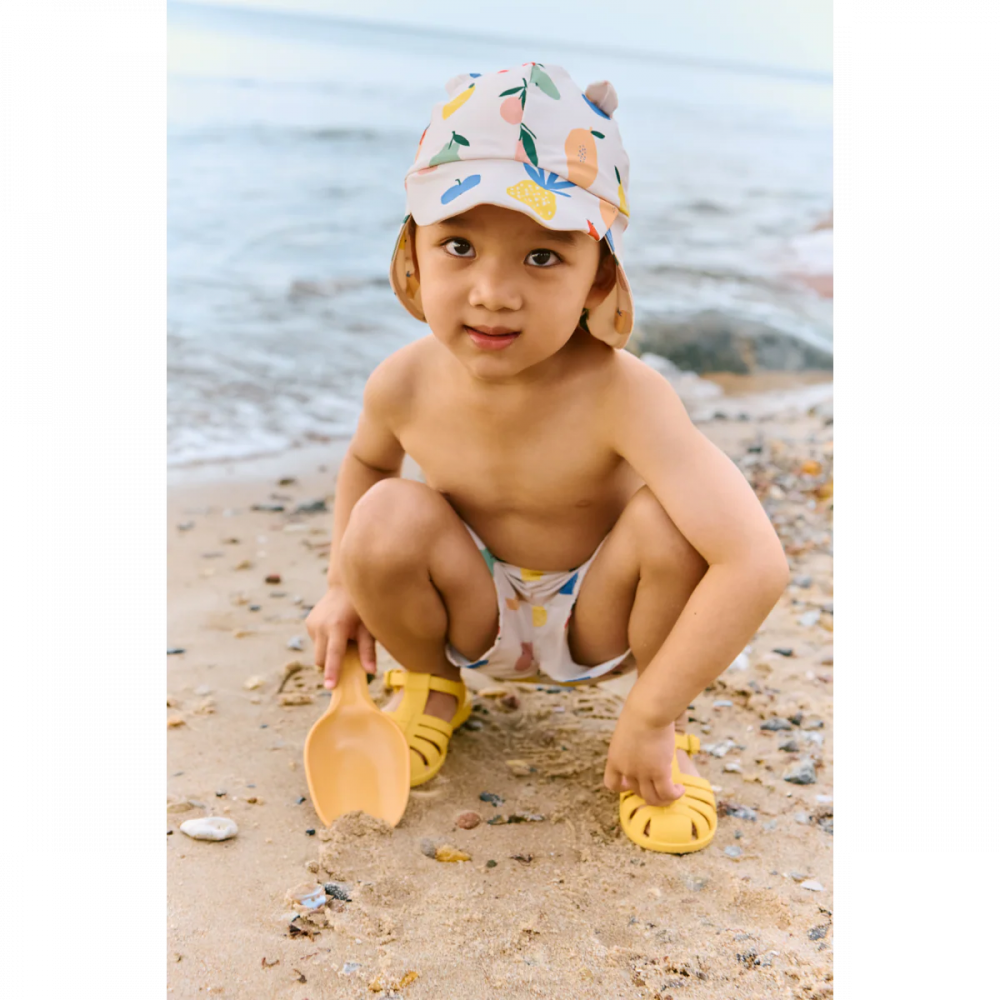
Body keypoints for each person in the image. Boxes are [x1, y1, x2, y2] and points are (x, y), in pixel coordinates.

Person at [305, 63, 789, 854]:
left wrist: (650, 712)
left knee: (673, 524)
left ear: (600, 277)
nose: (494, 293)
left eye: (542, 258)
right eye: (459, 245)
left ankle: (665, 730)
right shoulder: (403, 382)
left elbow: (755, 561)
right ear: (412, 254)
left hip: (604, 613)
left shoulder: (626, 396)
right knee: (384, 513)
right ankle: (433, 686)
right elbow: (366, 466)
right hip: (470, 602)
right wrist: (339, 587)